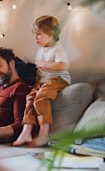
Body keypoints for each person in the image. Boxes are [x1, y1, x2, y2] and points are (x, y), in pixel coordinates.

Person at [13, 15, 71, 147]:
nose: (35, 38)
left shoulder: (58, 48)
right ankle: (26, 131)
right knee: (30, 98)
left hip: (58, 79)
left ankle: (44, 133)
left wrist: (45, 64)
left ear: (50, 33)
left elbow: (62, 66)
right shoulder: (40, 50)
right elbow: (40, 71)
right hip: (44, 81)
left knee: (41, 98)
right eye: (34, 35)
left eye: (38, 34)